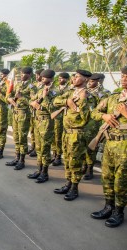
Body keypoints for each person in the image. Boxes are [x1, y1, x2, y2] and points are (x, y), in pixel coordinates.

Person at [90, 66, 127, 228]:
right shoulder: (113, 98)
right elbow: (94, 113)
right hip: (110, 144)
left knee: (122, 182)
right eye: (123, 76)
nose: (124, 79)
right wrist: (104, 115)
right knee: (107, 178)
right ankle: (108, 207)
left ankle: (119, 212)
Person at [53, 69, 92, 201]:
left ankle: (74, 188)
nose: (74, 78)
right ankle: (68, 183)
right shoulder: (70, 92)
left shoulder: (89, 96)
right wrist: (67, 102)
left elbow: (87, 117)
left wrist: (80, 103)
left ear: (86, 80)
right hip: (67, 132)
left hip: (78, 133)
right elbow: (55, 100)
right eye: (74, 76)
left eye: (77, 77)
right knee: (68, 160)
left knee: (76, 162)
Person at [27, 69, 56, 183]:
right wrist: (33, 103)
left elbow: (54, 109)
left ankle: (45, 172)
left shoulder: (54, 92)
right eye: (42, 77)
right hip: (38, 121)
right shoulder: (40, 90)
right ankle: (39, 170)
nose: (43, 79)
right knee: (38, 148)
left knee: (45, 148)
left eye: (46, 77)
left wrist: (45, 98)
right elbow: (32, 101)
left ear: (51, 79)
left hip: (47, 122)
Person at [5, 67, 36, 170]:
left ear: (30, 74)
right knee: (16, 136)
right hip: (16, 112)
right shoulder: (18, 84)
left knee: (22, 137)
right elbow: (11, 95)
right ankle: (16, 157)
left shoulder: (32, 87)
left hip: (24, 113)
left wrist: (22, 97)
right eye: (22, 73)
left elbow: (33, 102)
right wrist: (11, 99)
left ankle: (22, 160)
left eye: (25, 74)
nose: (22, 75)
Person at [51, 72, 70, 166]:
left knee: (59, 137)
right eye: (59, 78)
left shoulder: (70, 89)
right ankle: (54, 154)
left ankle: (58, 156)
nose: (60, 80)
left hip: (63, 116)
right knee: (53, 136)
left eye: (62, 78)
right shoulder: (55, 88)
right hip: (54, 115)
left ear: (67, 79)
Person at [28, 69, 44, 158]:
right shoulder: (33, 85)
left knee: (38, 131)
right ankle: (33, 146)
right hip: (32, 110)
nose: (37, 77)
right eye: (36, 75)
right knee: (32, 130)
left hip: (39, 111)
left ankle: (37, 149)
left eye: (39, 75)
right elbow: (31, 96)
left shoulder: (43, 87)